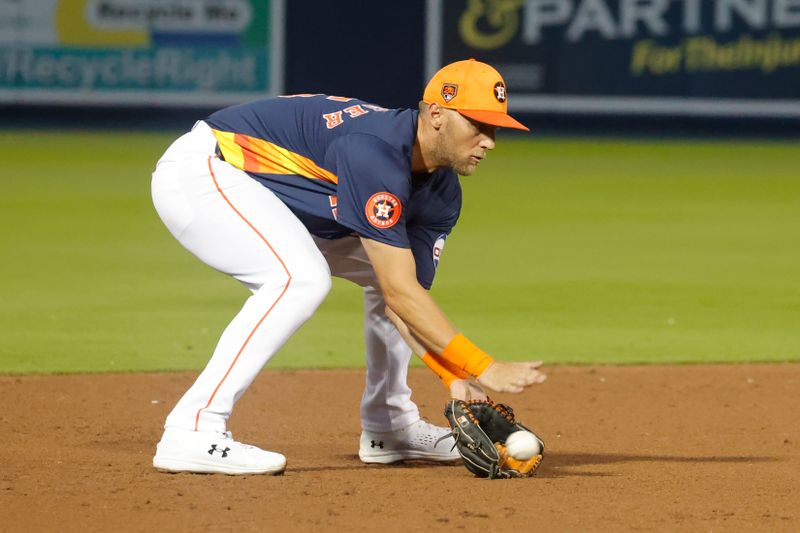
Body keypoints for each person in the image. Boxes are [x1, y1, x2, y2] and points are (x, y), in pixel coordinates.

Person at [150, 59, 546, 475]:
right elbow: (400, 295)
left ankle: (388, 426)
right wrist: (482, 366)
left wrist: (454, 378)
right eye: (478, 125)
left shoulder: (442, 194)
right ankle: (193, 427)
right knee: (298, 279)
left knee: (393, 277)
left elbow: (402, 298)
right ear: (436, 115)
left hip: (271, 195)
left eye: (495, 128)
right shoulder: (374, 151)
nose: (490, 142)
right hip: (206, 170)